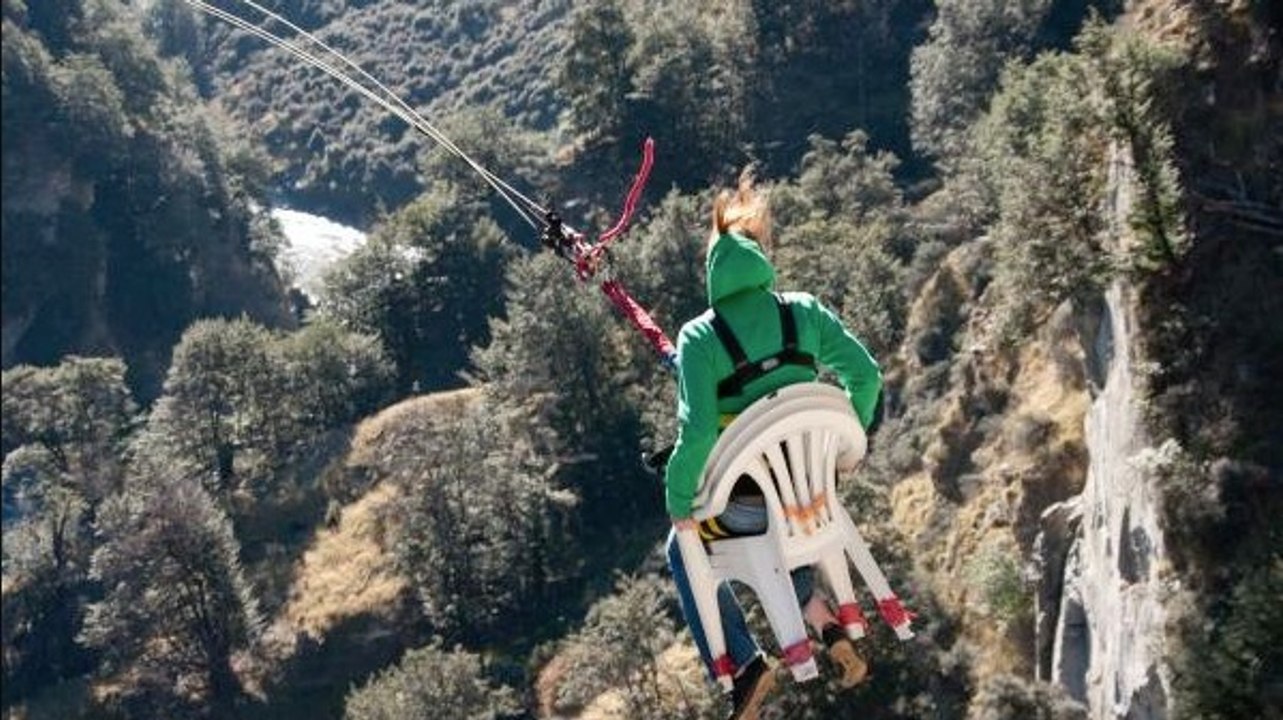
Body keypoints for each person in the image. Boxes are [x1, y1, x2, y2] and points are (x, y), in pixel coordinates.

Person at [664, 171, 883, 720]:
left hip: (754, 509)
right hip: (810, 496)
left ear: (713, 273)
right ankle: (824, 621)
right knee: (779, 521)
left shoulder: (698, 338)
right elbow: (866, 376)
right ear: (759, 260)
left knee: (682, 546)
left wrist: (678, 498)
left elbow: (698, 432)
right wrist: (845, 453)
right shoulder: (803, 310)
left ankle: (743, 663)